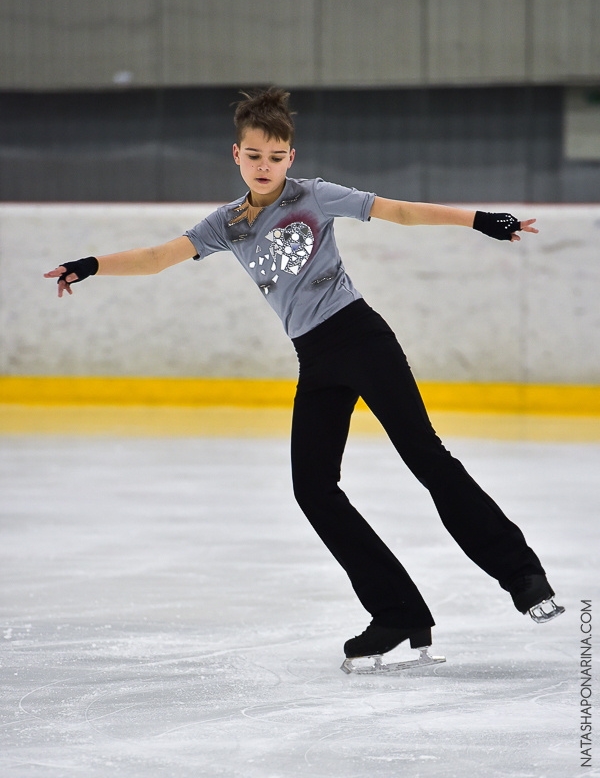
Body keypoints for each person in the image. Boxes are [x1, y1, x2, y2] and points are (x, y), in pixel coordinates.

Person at [44, 87, 564, 669]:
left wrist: (479, 221)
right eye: (254, 155)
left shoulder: (316, 197)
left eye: (275, 156)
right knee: (312, 487)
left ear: (290, 157)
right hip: (316, 359)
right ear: (236, 155)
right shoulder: (228, 225)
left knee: (425, 456)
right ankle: (396, 612)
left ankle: (523, 577)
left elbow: (398, 210)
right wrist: (91, 265)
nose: (264, 166)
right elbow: (158, 257)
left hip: (362, 339)